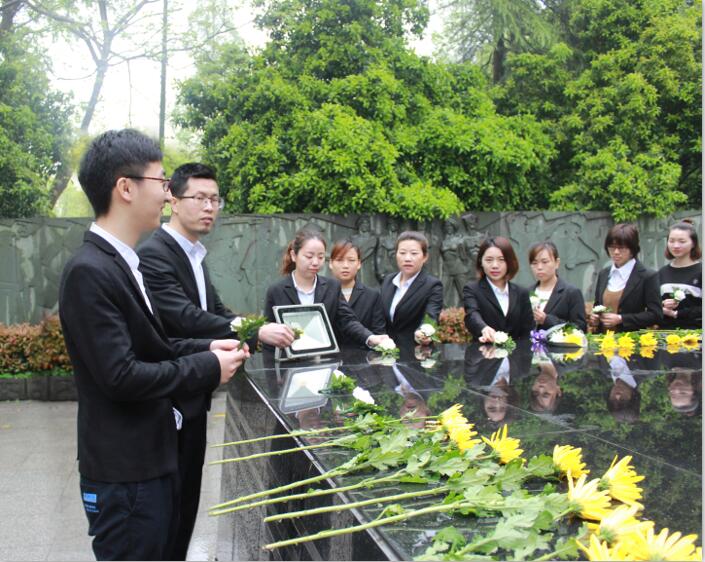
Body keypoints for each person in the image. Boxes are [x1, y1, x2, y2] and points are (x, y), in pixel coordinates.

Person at [58, 130, 249, 561]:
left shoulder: (122, 262)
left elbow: (154, 347)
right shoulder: (90, 270)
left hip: (150, 457)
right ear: (126, 188)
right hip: (125, 471)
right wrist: (207, 367)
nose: (167, 194)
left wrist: (208, 348)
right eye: (161, 182)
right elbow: (121, 375)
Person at [136, 162, 294, 559]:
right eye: (200, 198)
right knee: (167, 511)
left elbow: (215, 310)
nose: (210, 207)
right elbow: (183, 316)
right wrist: (254, 331)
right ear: (173, 199)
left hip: (194, 394)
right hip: (167, 399)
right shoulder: (155, 254)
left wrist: (254, 331)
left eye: (215, 199)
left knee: (186, 502)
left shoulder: (193, 253)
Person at [264, 229, 390, 349]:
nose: (315, 262)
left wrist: (370, 338)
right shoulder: (276, 290)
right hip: (289, 360)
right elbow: (269, 333)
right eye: (309, 256)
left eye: (320, 257)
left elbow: (347, 320)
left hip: (324, 359)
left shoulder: (332, 287)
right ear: (293, 255)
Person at [589, 223, 662, 333]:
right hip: (603, 339)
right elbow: (598, 306)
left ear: (632, 249)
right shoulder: (604, 274)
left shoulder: (647, 276)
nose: (616, 252)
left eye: (621, 248)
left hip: (631, 339)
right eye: (612, 247)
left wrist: (621, 319)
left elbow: (656, 315)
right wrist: (595, 318)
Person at [379, 231, 444, 347]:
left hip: (415, 351)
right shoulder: (388, 280)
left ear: (425, 257)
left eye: (414, 253)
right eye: (402, 253)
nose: (407, 258)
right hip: (386, 351)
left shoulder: (432, 285)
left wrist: (423, 333)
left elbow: (431, 316)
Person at [463, 236, 532, 342]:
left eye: (501, 260)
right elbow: (472, 315)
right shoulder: (472, 289)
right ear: (481, 262)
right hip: (484, 350)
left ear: (509, 262)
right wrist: (484, 328)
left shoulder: (521, 293)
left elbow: (528, 330)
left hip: (517, 352)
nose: (495, 265)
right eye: (489, 260)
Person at [328, 240, 386, 337]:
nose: (345, 266)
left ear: (359, 264)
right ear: (330, 263)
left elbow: (379, 333)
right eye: (340, 260)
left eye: (351, 260)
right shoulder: (322, 293)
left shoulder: (372, 296)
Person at [528, 241, 587, 332]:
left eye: (545, 262)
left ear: (557, 263)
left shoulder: (571, 293)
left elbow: (580, 327)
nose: (539, 267)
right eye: (534, 263)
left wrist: (546, 320)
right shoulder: (526, 293)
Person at [658, 219, 702, 329]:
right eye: (671, 241)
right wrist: (662, 305)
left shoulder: (701, 271)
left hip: (695, 334)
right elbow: (650, 305)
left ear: (693, 243)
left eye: (682, 241)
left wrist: (677, 314)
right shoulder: (661, 273)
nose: (676, 246)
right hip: (664, 334)